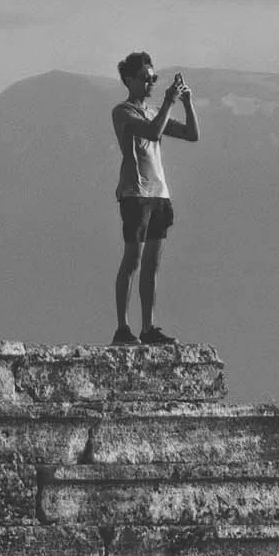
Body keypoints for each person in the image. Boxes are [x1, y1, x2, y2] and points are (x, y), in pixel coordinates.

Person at [109, 50, 200, 345]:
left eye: (153, 79)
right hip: (136, 193)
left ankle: (148, 327)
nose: (149, 84)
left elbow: (191, 134)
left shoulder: (152, 112)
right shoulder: (123, 112)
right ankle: (123, 327)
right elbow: (150, 133)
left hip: (159, 193)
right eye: (144, 79)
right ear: (129, 80)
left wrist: (186, 103)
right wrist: (168, 103)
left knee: (152, 265)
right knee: (133, 259)